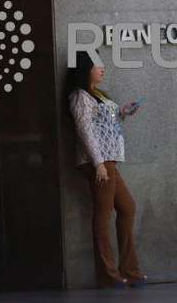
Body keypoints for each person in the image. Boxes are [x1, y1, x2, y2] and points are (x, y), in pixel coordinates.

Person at [67, 51, 146, 289]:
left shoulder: (98, 95)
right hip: (100, 163)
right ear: (85, 69)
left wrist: (122, 112)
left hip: (109, 161)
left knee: (127, 207)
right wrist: (98, 163)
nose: (102, 69)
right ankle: (108, 274)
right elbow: (85, 131)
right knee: (103, 215)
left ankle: (129, 270)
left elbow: (104, 124)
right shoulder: (80, 96)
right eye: (97, 65)